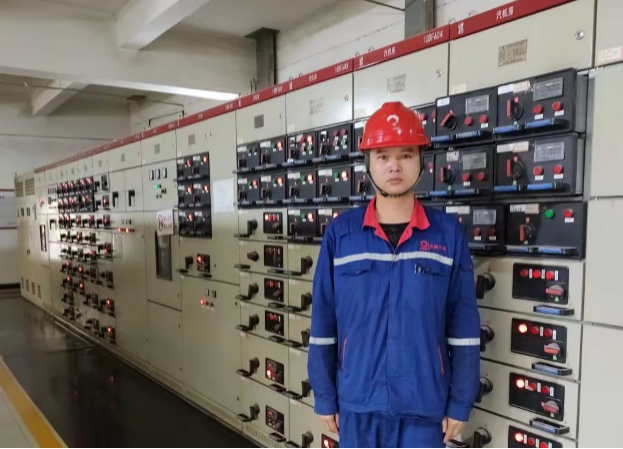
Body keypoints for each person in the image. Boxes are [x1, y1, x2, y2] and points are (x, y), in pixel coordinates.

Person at [307, 101, 481, 448]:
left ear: (421, 161)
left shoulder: (447, 234)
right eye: (383, 156)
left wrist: (461, 402)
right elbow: (323, 322)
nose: (394, 166)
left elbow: (463, 327)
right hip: (357, 404)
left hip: (423, 406)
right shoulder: (341, 235)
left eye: (405, 155)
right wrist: (324, 394)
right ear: (368, 163)